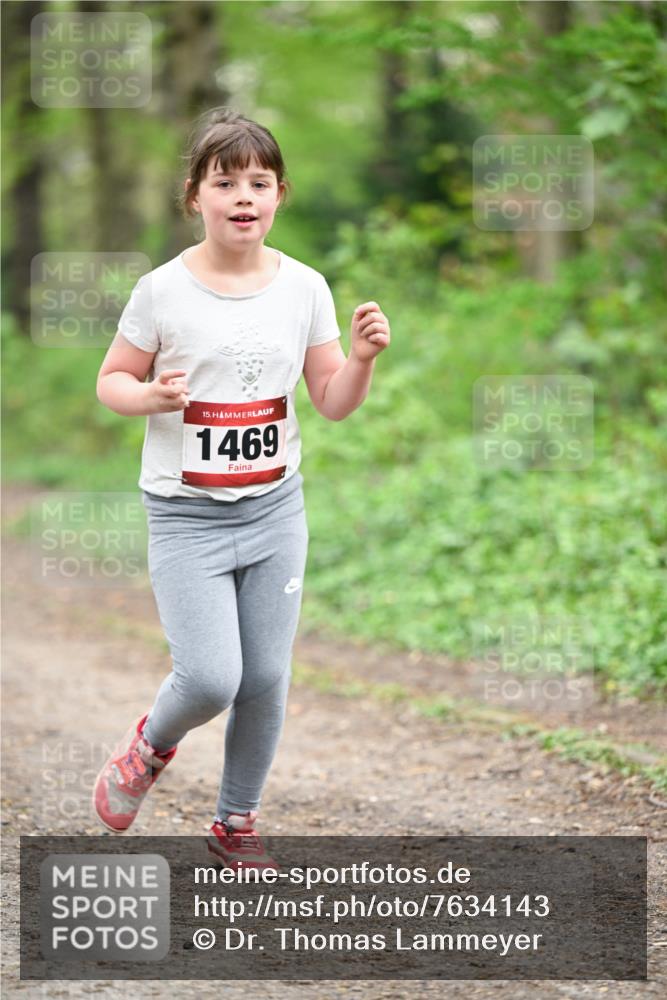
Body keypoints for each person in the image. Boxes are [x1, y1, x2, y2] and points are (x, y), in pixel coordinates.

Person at [92, 107, 391, 870]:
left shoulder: (304, 288)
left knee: (263, 675)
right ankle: (148, 747)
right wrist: (149, 396)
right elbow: (111, 380)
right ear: (195, 195)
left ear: (280, 194)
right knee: (211, 676)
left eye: (258, 182)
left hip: (274, 508)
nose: (243, 196)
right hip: (185, 514)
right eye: (225, 182)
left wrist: (358, 361)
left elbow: (329, 400)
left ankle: (235, 821)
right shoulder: (161, 291)